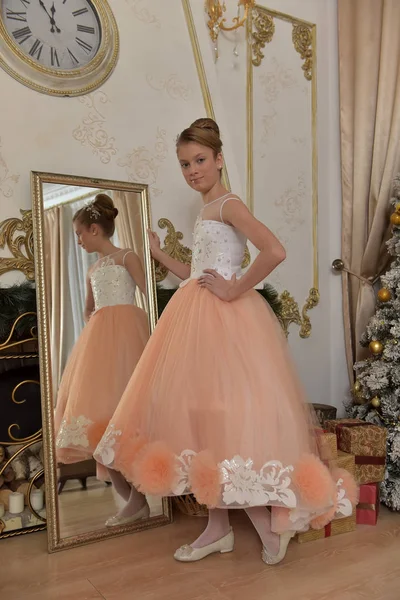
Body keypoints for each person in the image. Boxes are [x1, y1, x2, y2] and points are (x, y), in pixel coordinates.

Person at [94, 120, 357, 561]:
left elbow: (274, 250)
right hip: (195, 317)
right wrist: (159, 255)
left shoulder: (229, 204)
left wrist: (235, 289)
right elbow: (197, 273)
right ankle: (218, 529)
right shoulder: (205, 210)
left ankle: (259, 526)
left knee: (223, 423)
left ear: (218, 160)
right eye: (184, 164)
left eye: (200, 160)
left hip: (226, 324)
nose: (192, 170)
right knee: (202, 423)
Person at [55, 193, 150, 526]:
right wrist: (95, 318)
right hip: (99, 343)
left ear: (95, 229)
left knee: (127, 418)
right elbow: (87, 307)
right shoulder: (93, 269)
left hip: (129, 336)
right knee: (99, 423)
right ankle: (135, 502)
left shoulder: (127, 257)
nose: (78, 240)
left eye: (80, 233)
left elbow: (147, 293)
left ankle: (138, 500)